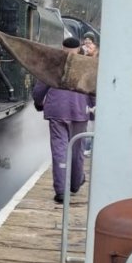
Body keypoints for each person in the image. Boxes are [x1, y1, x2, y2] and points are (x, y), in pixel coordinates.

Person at [32, 37, 96, 203]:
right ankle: (75, 183)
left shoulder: (55, 63)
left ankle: (61, 191)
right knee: (77, 148)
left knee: (59, 149)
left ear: (62, 47)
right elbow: (93, 90)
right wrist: (93, 111)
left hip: (57, 110)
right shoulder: (86, 64)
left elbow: (41, 86)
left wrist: (39, 103)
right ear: (78, 48)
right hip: (80, 110)